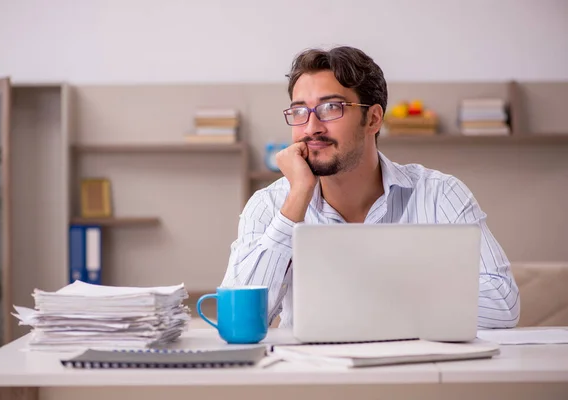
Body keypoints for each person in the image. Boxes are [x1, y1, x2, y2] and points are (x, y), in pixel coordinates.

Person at [221, 46, 520, 329]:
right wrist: (297, 198)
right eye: (300, 111)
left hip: (416, 373)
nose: (311, 127)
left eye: (330, 108)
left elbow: (504, 304)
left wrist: (374, 295)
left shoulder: (441, 194)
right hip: (313, 376)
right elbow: (236, 319)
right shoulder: (270, 205)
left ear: (373, 119)